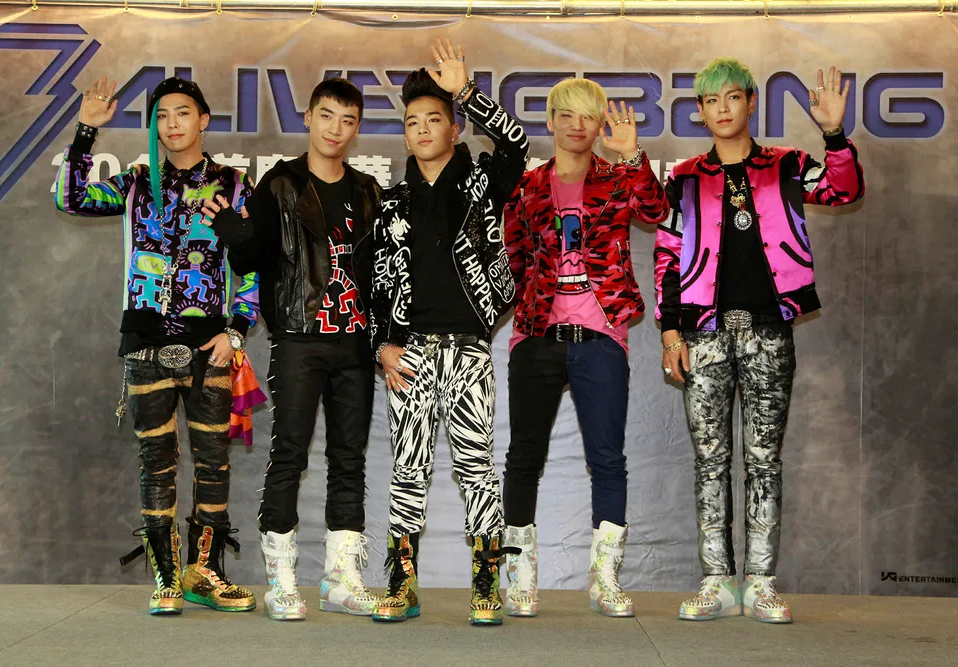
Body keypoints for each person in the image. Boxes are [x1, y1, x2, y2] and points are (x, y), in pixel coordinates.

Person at [655, 58, 863, 623]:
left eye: (732, 97)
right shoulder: (684, 177)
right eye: (710, 101)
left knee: (765, 460)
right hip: (703, 336)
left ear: (751, 102)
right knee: (709, 462)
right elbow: (667, 256)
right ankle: (717, 582)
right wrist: (671, 332)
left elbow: (844, 189)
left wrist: (834, 134)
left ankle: (762, 583)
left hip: (770, 332)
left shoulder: (787, 164)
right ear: (700, 113)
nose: (722, 109)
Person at [54, 75, 259, 614]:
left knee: (214, 462)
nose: (172, 124)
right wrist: (85, 131)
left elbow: (254, 266)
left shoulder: (234, 185)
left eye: (182, 113)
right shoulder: (136, 183)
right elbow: (70, 197)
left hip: (209, 348)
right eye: (162, 116)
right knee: (156, 461)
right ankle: (166, 578)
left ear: (203, 120)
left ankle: (205, 573)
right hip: (145, 345)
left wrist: (236, 330)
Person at [203, 78, 380, 621]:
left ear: (357, 128)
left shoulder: (368, 191)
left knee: (349, 459)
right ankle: (281, 583)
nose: (335, 129)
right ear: (308, 117)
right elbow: (250, 261)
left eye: (347, 120)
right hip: (300, 338)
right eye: (326, 116)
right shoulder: (280, 184)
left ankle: (341, 580)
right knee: (290, 455)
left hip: (356, 345)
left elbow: (382, 270)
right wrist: (234, 234)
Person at [367, 38, 528, 626]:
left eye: (434, 119)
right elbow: (373, 284)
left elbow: (517, 145)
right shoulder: (390, 203)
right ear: (405, 135)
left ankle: (486, 582)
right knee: (407, 471)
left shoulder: (483, 181)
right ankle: (401, 583)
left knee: (476, 470)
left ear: (454, 128)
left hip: (469, 351)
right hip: (409, 355)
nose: (422, 129)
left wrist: (468, 92)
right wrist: (380, 346)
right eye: (412, 122)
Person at [502, 76, 669, 618]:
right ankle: (520, 578)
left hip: (601, 338)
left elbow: (656, 211)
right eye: (567, 115)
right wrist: (530, 313)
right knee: (523, 458)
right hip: (537, 339)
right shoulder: (527, 187)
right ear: (550, 121)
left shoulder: (618, 179)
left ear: (600, 125)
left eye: (588, 116)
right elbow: (515, 259)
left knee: (608, 460)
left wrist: (633, 156)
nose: (577, 125)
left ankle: (605, 580)